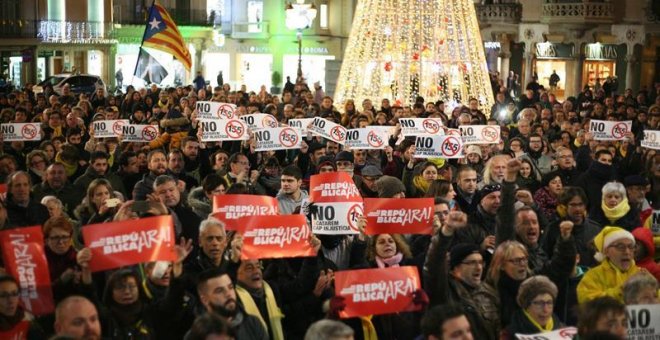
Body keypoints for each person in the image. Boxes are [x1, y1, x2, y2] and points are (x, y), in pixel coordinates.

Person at [195, 269, 269, 339]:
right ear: (204, 300)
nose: (228, 294)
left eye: (230, 287)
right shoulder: (197, 334)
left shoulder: (252, 323)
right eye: (219, 291)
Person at [577, 226, 639, 303]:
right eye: (620, 247)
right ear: (606, 251)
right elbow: (587, 302)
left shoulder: (642, 274)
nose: (627, 252)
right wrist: (620, 291)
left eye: (631, 247)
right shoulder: (593, 276)